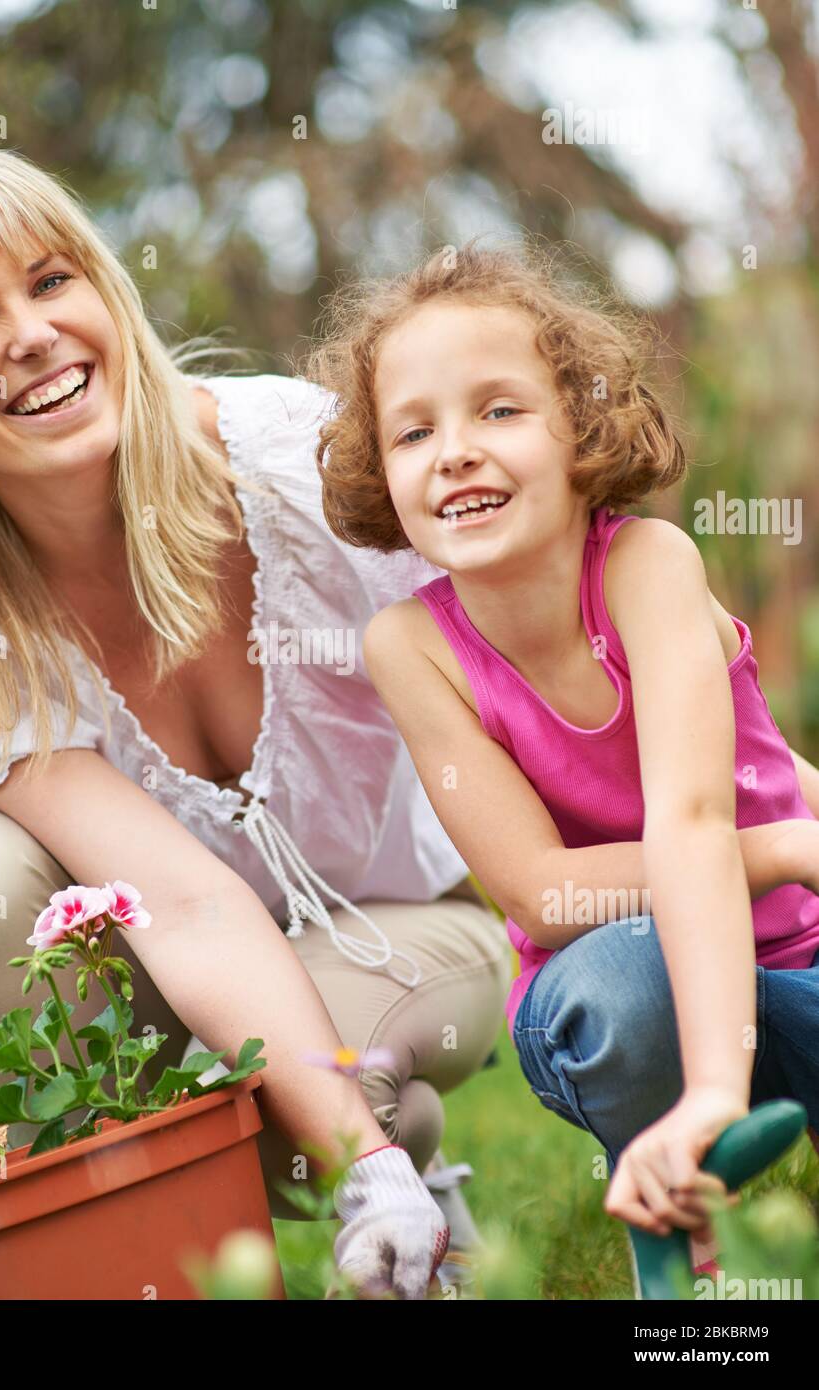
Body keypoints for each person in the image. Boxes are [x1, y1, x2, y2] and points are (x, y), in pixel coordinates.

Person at [0, 142, 511, 1300]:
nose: (32, 334)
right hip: (177, 953)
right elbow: (184, 900)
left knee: (311, 1087)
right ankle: (142, 1264)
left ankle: (383, 1168)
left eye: (51, 281)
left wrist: (357, 1158)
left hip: (397, 923)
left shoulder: (300, 460)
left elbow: (537, 644)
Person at [309, 239, 819, 1272]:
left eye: (499, 410)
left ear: (581, 428)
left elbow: (702, 811)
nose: (454, 449)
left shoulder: (645, 565)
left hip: (792, 964)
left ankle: (735, 1146)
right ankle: (669, 1176)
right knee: (623, 983)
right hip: (613, 992)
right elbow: (547, 898)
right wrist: (793, 847)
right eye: (414, 430)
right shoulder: (410, 645)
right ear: (383, 470)